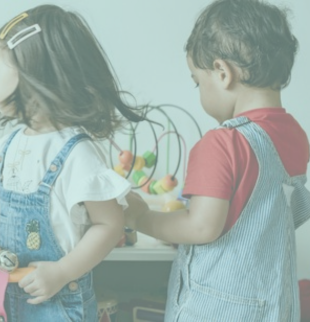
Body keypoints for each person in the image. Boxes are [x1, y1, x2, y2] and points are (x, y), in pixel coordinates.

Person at [124, 0, 310, 320]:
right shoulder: (295, 136)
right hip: (275, 306)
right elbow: (266, 221)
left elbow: (200, 227)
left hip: (218, 310)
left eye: (197, 80)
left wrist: (140, 218)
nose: (198, 90)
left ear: (222, 72)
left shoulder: (222, 143)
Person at [0, 4, 145, 321]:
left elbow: (110, 224)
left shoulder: (76, 153)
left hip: (57, 304)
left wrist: (63, 271)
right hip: (6, 297)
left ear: (31, 77)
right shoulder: (6, 145)